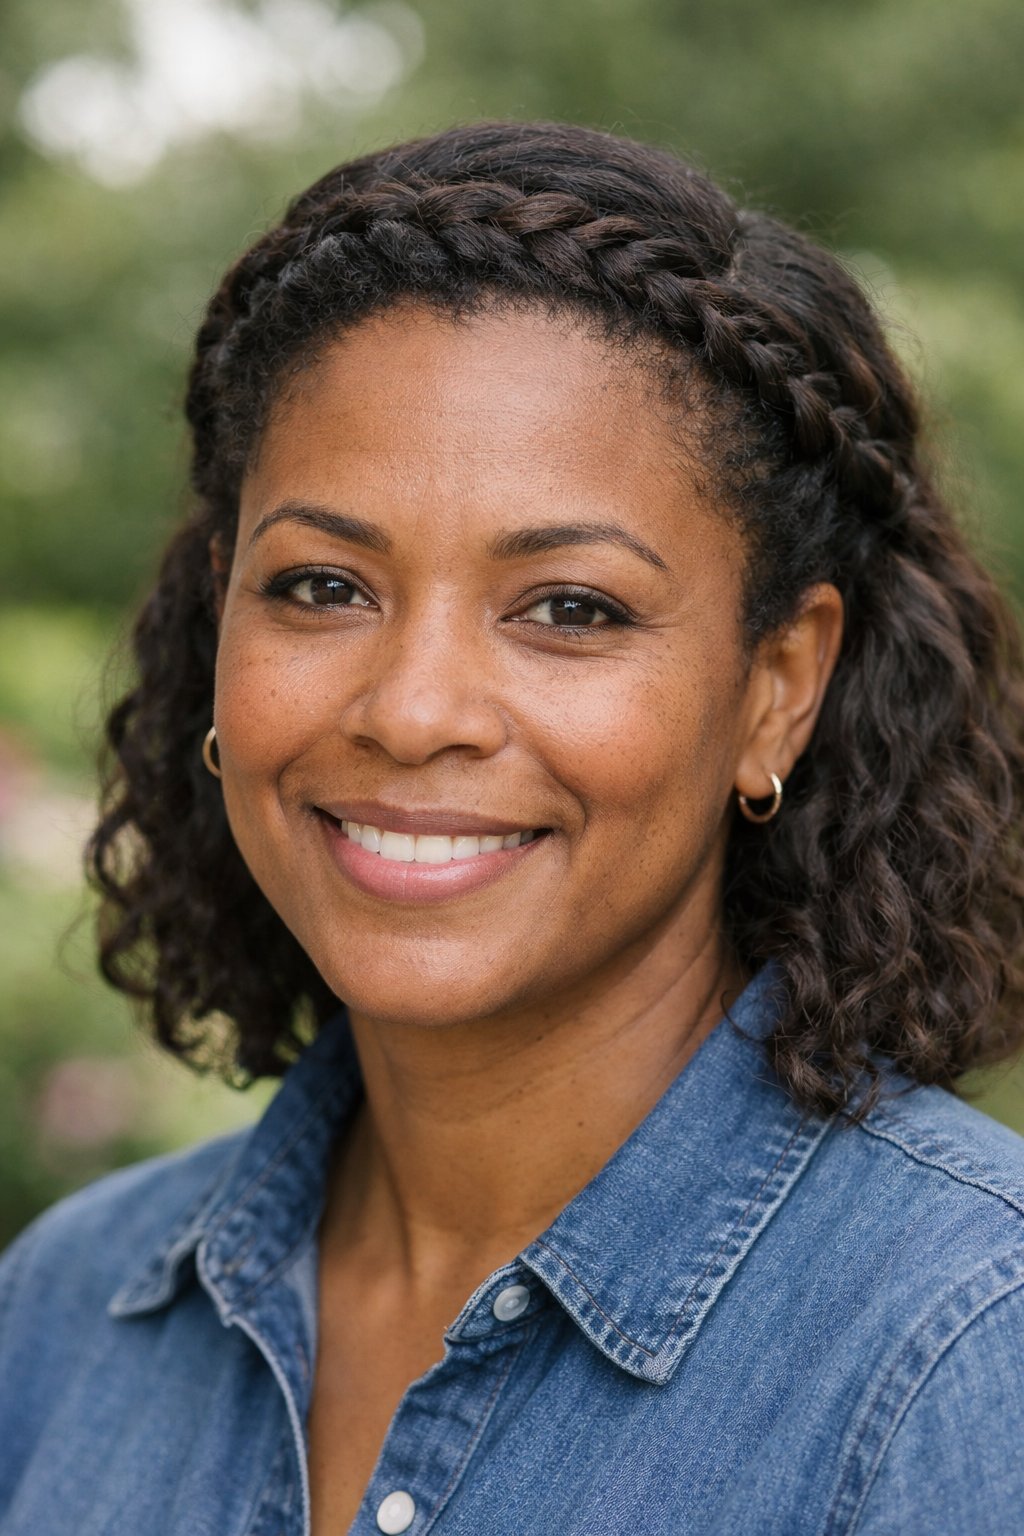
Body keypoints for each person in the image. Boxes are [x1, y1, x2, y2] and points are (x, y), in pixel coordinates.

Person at [2, 121, 1024, 1536]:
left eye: (570, 609)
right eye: (322, 587)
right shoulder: (63, 1317)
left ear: (776, 691)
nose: (414, 711)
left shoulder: (963, 1353)